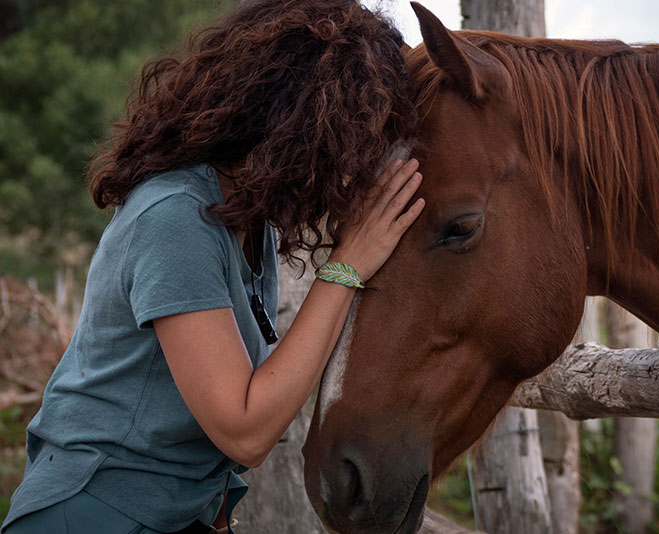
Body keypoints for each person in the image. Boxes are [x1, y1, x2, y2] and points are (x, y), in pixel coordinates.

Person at [2, 1, 423, 533]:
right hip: (94, 513)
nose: (358, 166)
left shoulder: (249, 222)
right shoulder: (176, 215)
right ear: (304, 126)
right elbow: (243, 430)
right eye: (356, 139)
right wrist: (346, 265)